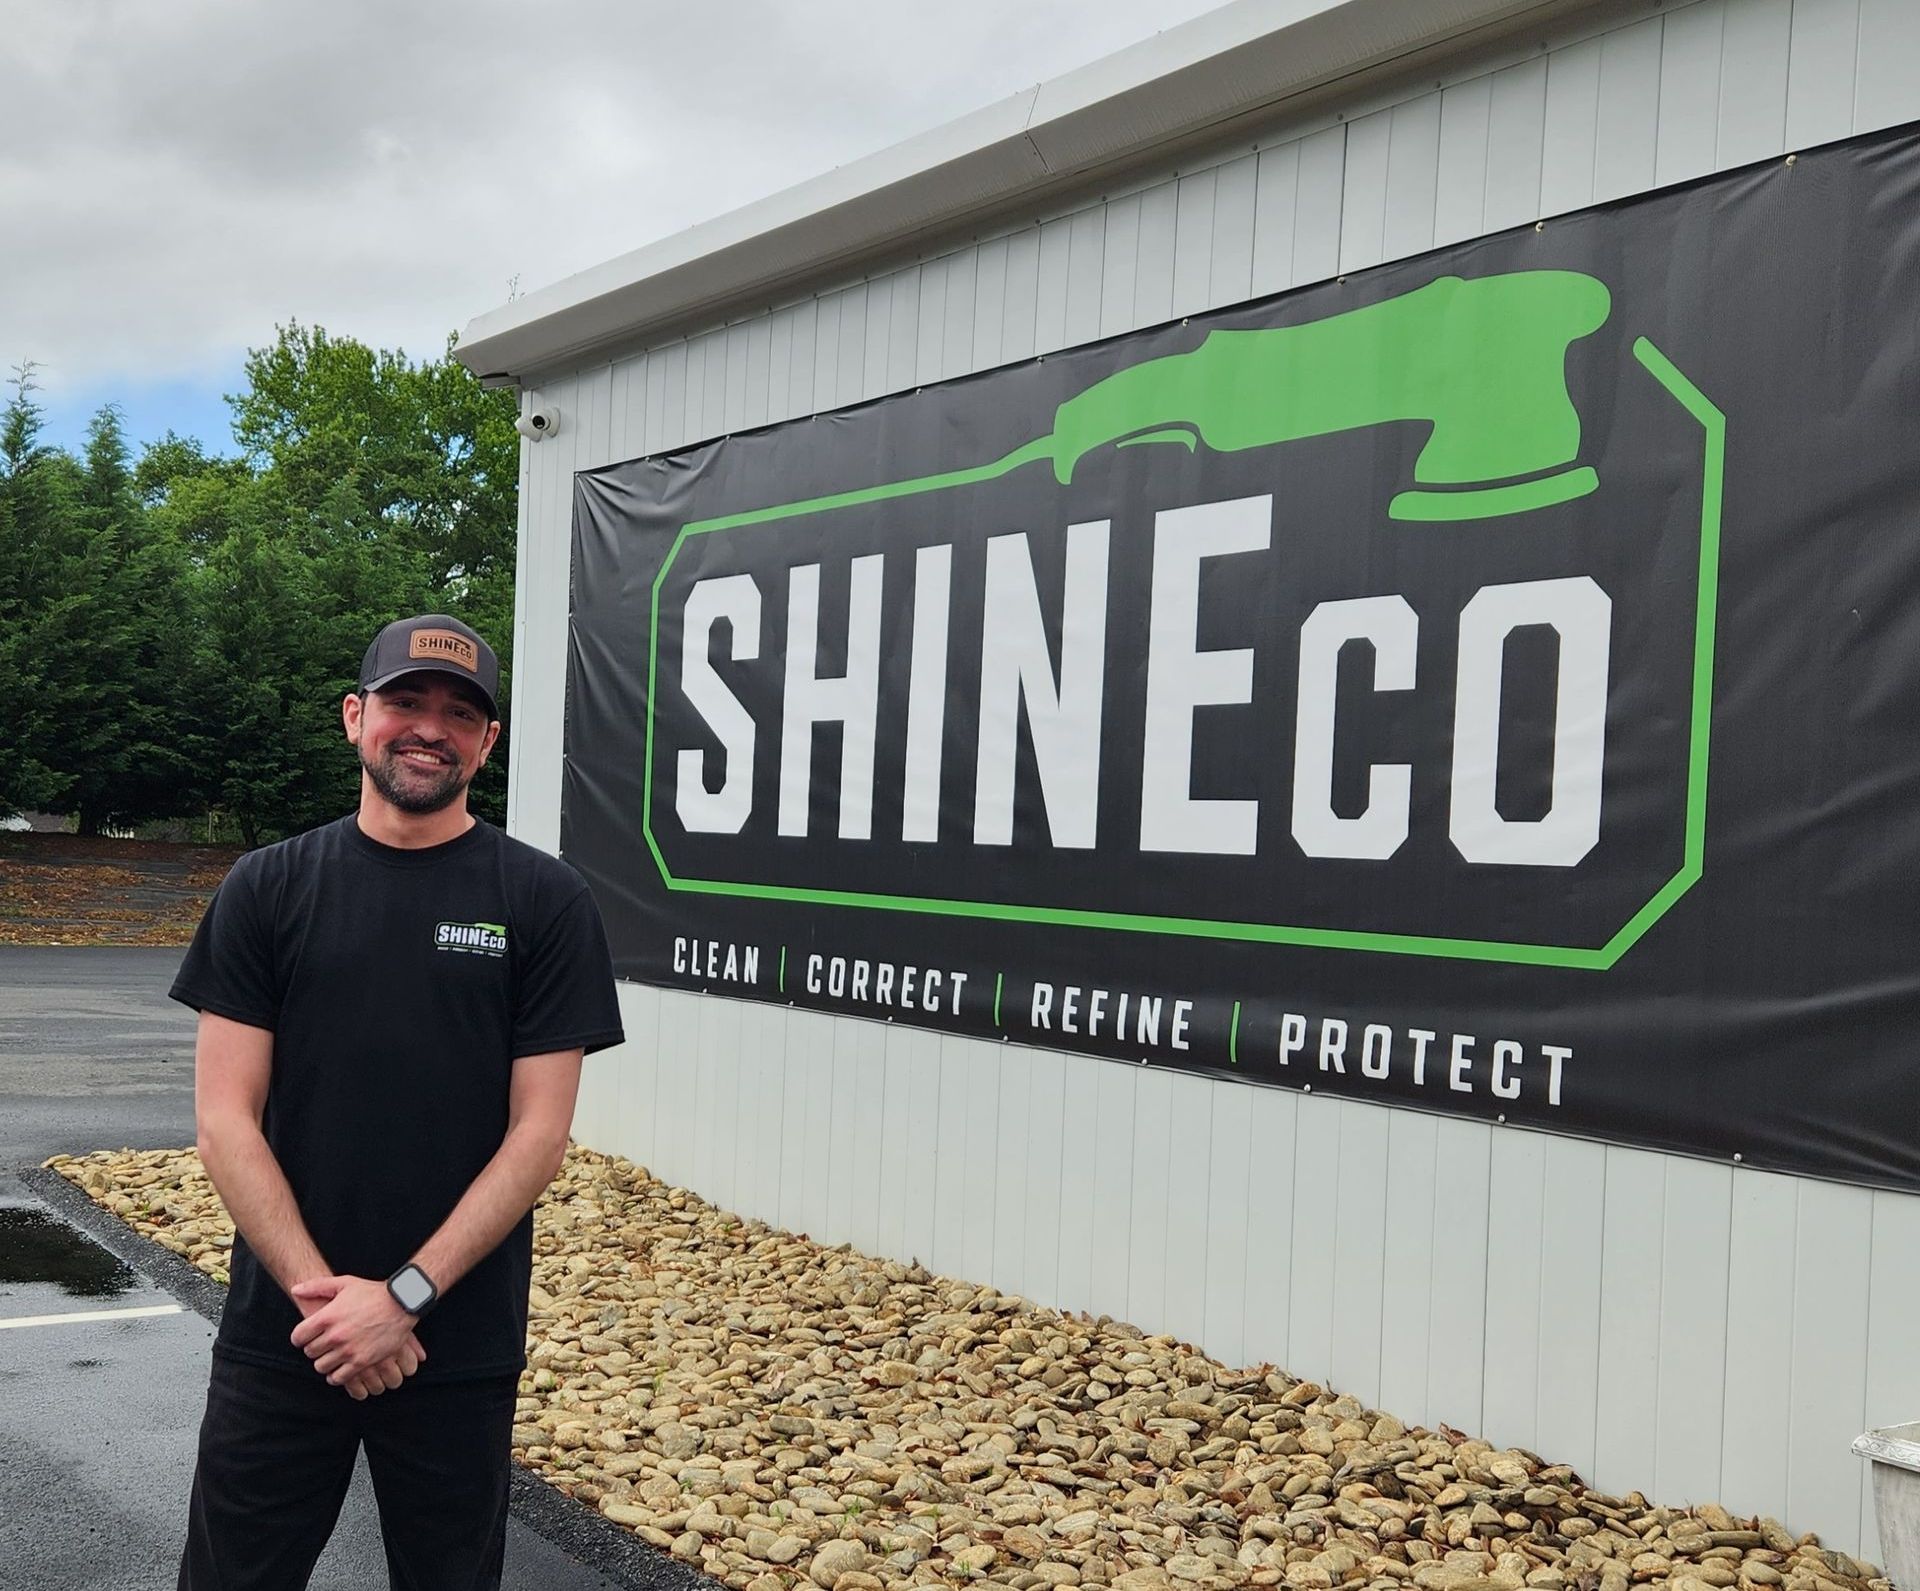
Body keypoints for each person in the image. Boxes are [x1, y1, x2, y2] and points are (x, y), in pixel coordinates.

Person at [169, 613, 625, 1591]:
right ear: (354, 717)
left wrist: (404, 1298)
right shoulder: (268, 887)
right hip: (286, 1336)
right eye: (405, 701)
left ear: (488, 742)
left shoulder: (544, 901)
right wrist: (330, 1306)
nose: (431, 727)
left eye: (460, 712)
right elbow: (224, 1120)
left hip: (454, 1344)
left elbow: (539, 1132)